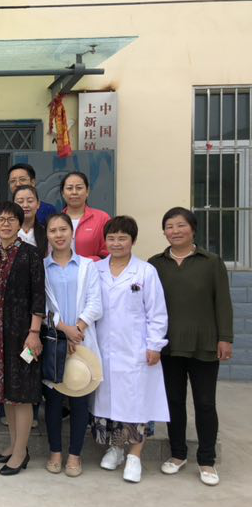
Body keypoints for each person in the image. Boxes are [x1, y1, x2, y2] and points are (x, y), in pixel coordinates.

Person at [149, 207, 233, 486]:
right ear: (164, 232)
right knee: (173, 401)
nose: (175, 231)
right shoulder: (156, 264)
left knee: (205, 402)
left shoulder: (211, 262)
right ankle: (178, 454)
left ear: (193, 229)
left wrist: (225, 338)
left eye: (181, 225)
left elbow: (222, 302)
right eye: (169, 226)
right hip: (169, 345)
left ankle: (207, 460)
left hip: (203, 344)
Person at [93, 215, 169, 484]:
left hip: (136, 349)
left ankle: (134, 456)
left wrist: (155, 344)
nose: (116, 243)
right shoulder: (96, 270)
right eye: (111, 238)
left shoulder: (145, 271)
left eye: (122, 238)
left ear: (133, 241)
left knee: (136, 404)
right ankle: (115, 448)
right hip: (103, 348)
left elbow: (156, 312)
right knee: (110, 403)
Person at [0, 201, 45, 476]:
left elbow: (39, 296)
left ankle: (21, 453)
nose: (5, 224)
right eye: (0, 220)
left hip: (23, 335)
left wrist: (34, 333)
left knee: (23, 394)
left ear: (20, 224)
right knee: (6, 392)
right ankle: (14, 444)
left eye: (11, 220)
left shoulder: (31, 254)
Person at [42, 213, 103, 477]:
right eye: (53, 230)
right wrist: (64, 330)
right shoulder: (42, 268)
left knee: (79, 398)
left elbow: (96, 303)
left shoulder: (89, 266)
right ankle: (55, 451)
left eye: (63, 229)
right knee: (54, 401)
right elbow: (42, 306)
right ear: (47, 235)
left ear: (72, 232)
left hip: (83, 341)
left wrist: (78, 328)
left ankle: (75, 456)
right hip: (55, 341)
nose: (58, 235)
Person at [61, 171, 110, 261]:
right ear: (63, 193)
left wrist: (85, 262)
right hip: (60, 269)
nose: (74, 192)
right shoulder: (56, 221)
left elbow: (108, 252)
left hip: (94, 268)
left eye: (79, 188)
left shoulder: (102, 218)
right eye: (69, 188)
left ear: (87, 191)